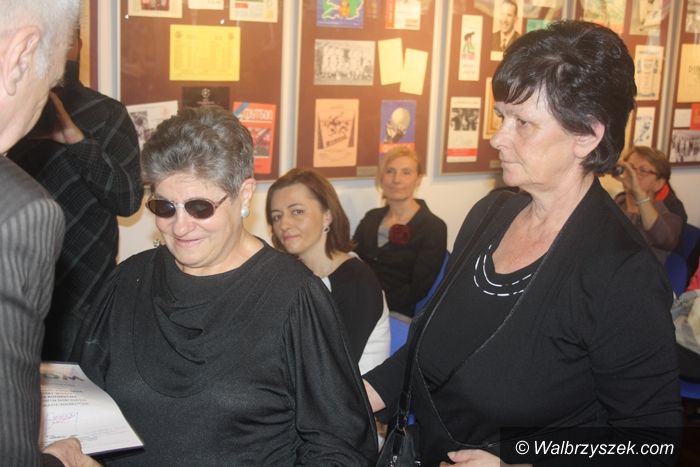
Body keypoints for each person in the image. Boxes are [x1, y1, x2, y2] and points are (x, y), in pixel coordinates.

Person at [363, 21, 681, 466]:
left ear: (586, 135)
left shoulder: (620, 273)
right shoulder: (490, 215)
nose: (498, 138)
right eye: (501, 117)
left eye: (523, 123)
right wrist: (353, 397)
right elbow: (431, 353)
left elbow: (651, 443)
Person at [71, 106, 377, 466]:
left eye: (200, 207)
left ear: (244, 195)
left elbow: (340, 446)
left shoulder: (294, 298)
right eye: (164, 207)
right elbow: (82, 399)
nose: (180, 226)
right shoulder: (128, 281)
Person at [0, 1, 97, 466]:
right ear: (21, 55)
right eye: (52, 82)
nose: (45, 104)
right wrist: (63, 462)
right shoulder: (20, 210)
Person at [8, 28, 143, 361]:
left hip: (85, 293)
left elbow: (128, 199)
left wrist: (75, 139)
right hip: (16, 284)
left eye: (66, 40)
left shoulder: (107, 113)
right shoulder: (12, 110)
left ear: (79, 45)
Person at [266, 168, 390, 374]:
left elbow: (329, 370)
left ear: (327, 216)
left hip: (349, 392)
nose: (284, 224)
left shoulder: (357, 281)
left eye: (297, 212)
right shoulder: (291, 274)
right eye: (277, 216)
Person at [353, 146, 447, 318]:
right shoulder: (371, 218)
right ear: (381, 178)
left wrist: (374, 304)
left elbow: (418, 289)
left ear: (418, 179)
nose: (396, 179)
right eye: (390, 171)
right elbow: (352, 260)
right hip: (359, 301)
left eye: (406, 172)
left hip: (397, 312)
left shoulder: (433, 227)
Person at [614, 145, 687, 264]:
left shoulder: (668, 212)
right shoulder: (618, 201)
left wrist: (638, 192)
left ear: (659, 183)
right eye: (630, 168)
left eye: (643, 171)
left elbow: (666, 240)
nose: (633, 174)